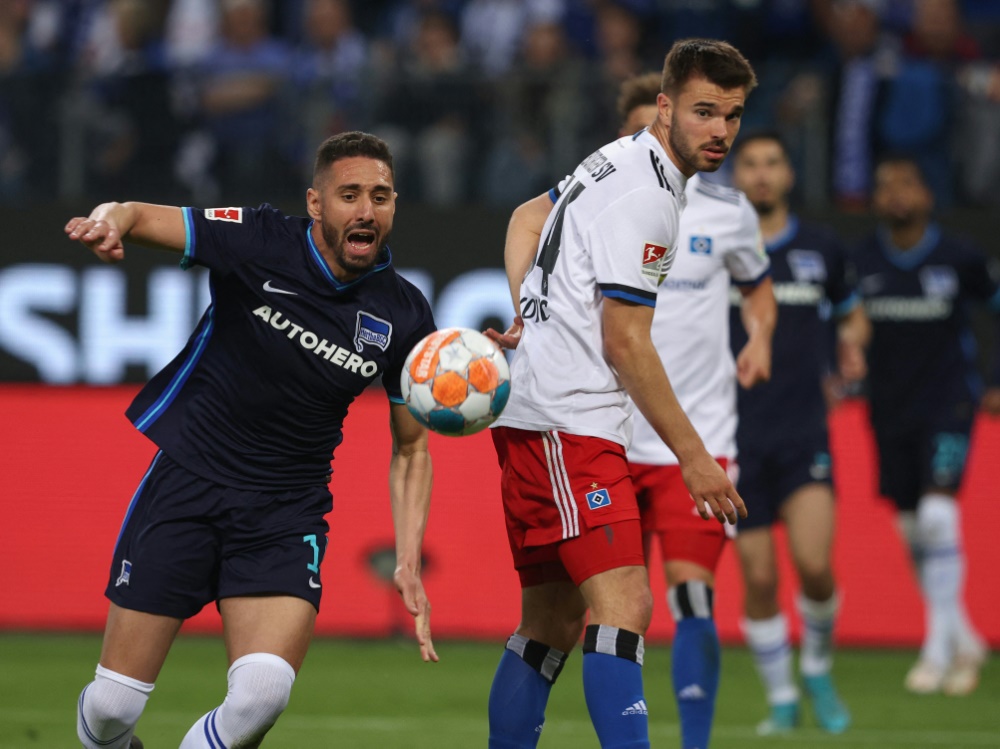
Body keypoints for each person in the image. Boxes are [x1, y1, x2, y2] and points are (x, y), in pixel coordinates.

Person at [66, 131, 438, 749]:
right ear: (316, 204)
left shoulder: (402, 313)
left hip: (285, 511)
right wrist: (109, 221)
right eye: (349, 195)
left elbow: (412, 448)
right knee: (110, 709)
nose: (366, 211)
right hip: (188, 483)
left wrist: (408, 558)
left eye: (380, 196)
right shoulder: (259, 238)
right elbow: (136, 214)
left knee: (262, 694)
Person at [485, 39, 756, 749]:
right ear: (664, 107)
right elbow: (626, 343)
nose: (719, 131)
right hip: (568, 419)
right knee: (626, 604)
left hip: (539, 413)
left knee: (549, 625)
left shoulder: (620, 159)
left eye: (731, 115)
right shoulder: (648, 195)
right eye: (703, 111)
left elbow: (524, 216)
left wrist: (529, 311)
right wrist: (695, 457)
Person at [616, 73, 776, 749]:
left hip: (699, 442)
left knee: (691, 596)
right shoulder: (601, 207)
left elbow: (759, 290)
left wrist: (760, 335)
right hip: (610, 436)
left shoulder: (727, 212)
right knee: (607, 613)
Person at [728, 132, 869, 735]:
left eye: (772, 164)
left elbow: (853, 313)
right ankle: (782, 697)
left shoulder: (821, 248)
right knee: (758, 578)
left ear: (788, 175)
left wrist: (851, 346)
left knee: (814, 565)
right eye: (751, 164)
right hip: (733, 437)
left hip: (804, 429)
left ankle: (815, 666)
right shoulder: (714, 248)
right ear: (737, 177)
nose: (761, 175)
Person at [853, 155, 998, 695]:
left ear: (927, 195)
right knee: (912, 529)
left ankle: (935, 653)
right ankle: (965, 639)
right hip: (888, 411)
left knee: (938, 517)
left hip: (949, 406)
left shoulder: (959, 256)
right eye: (884, 185)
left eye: (906, 184)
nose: (895, 194)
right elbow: (839, 322)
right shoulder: (863, 260)